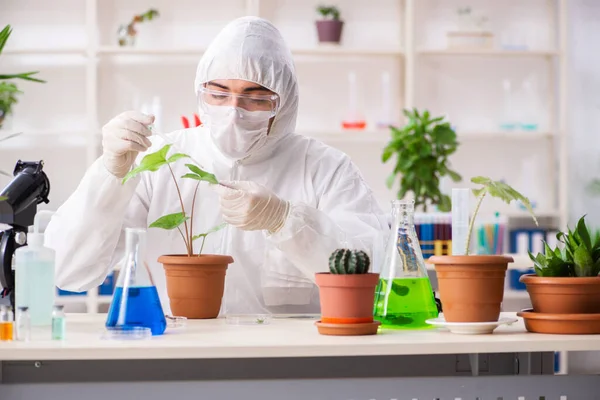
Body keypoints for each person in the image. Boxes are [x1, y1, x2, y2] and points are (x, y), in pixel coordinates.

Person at [45, 16, 388, 316]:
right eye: (219, 93)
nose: (233, 111)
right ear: (201, 91)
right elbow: (69, 272)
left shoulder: (324, 168)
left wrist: (287, 221)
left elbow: (375, 271)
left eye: (255, 98)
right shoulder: (158, 158)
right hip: (174, 351)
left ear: (283, 103)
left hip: (286, 358)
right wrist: (109, 176)